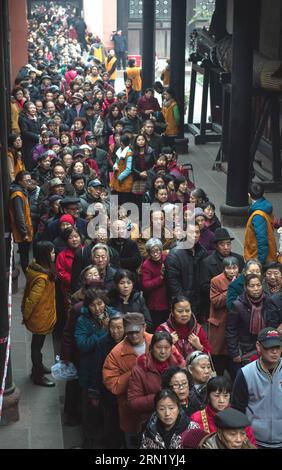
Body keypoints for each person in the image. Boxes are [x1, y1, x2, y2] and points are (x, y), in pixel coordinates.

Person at [103, 312, 152, 449]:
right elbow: (112, 384)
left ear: (144, 327)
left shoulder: (158, 343)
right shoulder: (116, 353)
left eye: (137, 331)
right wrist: (134, 372)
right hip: (131, 414)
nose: (134, 336)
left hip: (157, 412)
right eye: (130, 332)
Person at [232, 327, 282, 449]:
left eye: (278, 347)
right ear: (258, 346)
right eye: (269, 347)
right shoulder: (245, 373)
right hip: (254, 442)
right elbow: (237, 410)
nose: (274, 351)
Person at [79, 313, 125, 448]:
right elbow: (97, 367)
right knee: (110, 421)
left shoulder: (130, 341)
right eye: (112, 327)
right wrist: (95, 391)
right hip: (108, 391)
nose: (115, 331)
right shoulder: (103, 343)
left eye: (119, 328)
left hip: (125, 391)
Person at [127, 331, 185, 433]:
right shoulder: (140, 368)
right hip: (150, 421)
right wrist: (160, 397)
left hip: (177, 418)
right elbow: (133, 402)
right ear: (152, 347)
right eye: (159, 347)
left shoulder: (178, 365)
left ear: (171, 348)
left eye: (166, 348)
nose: (163, 351)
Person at [21, 241, 56, 387]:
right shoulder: (42, 278)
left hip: (41, 314)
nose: (54, 254)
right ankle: (37, 375)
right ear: (46, 255)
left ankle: (39, 367)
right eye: (52, 252)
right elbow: (32, 300)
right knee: (37, 346)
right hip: (39, 317)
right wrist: (26, 316)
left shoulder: (37, 268)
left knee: (37, 345)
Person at [190, 376, 256, 446]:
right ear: (208, 397)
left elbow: (251, 444)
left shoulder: (239, 417)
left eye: (225, 396)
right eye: (216, 396)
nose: (221, 401)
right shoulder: (197, 418)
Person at [226, 274, 269, 377]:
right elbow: (231, 330)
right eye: (252, 286)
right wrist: (235, 353)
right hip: (245, 349)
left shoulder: (268, 301)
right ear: (245, 287)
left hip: (265, 347)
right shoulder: (238, 305)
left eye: (258, 285)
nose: (256, 289)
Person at [165, 223, 208, 319]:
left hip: (198, 302)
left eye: (197, 232)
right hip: (182, 304)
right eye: (192, 232)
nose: (195, 235)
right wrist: (182, 303)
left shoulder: (202, 252)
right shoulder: (175, 254)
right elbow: (173, 283)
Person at [208, 256, 240, 376]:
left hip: (236, 324)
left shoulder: (242, 279)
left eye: (234, 268)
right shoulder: (216, 281)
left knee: (234, 364)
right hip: (220, 324)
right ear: (224, 269)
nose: (232, 271)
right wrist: (231, 288)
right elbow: (215, 302)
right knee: (217, 364)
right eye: (228, 268)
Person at [157, 296, 211, 360]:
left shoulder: (197, 329)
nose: (184, 314)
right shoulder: (163, 329)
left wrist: (199, 346)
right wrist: (168, 344)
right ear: (172, 312)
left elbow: (209, 355)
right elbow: (155, 355)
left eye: (188, 311)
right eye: (180, 311)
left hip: (193, 368)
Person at [244, 182, 277, 265]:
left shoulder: (258, 216)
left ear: (249, 195)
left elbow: (262, 239)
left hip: (257, 258)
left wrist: (260, 262)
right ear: (264, 193)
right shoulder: (265, 206)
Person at [141, 238, 169, 330]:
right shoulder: (146, 265)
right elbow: (146, 285)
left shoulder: (166, 258)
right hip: (155, 303)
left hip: (168, 298)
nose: (155, 254)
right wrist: (160, 278)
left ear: (161, 250)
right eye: (152, 252)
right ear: (149, 253)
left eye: (157, 250)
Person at [9, 170, 33, 273]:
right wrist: (24, 233)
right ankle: (27, 278)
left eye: (30, 180)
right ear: (19, 181)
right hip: (23, 232)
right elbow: (19, 216)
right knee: (24, 258)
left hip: (26, 228)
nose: (29, 183)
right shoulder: (18, 195)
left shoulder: (23, 191)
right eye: (27, 181)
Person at [186, 351, 213, 416]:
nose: (207, 371)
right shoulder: (184, 389)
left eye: (208, 367)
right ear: (190, 369)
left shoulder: (213, 387)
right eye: (203, 367)